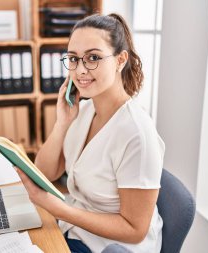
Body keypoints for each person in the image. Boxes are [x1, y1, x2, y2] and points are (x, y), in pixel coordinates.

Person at [16, 13, 165, 253]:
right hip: (75, 229)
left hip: (111, 247)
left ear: (120, 60)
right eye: (73, 59)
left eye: (93, 58)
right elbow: (45, 172)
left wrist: (57, 208)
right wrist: (62, 123)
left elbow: (135, 230)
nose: (81, 70)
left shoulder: (137, 134)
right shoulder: (84, 110)